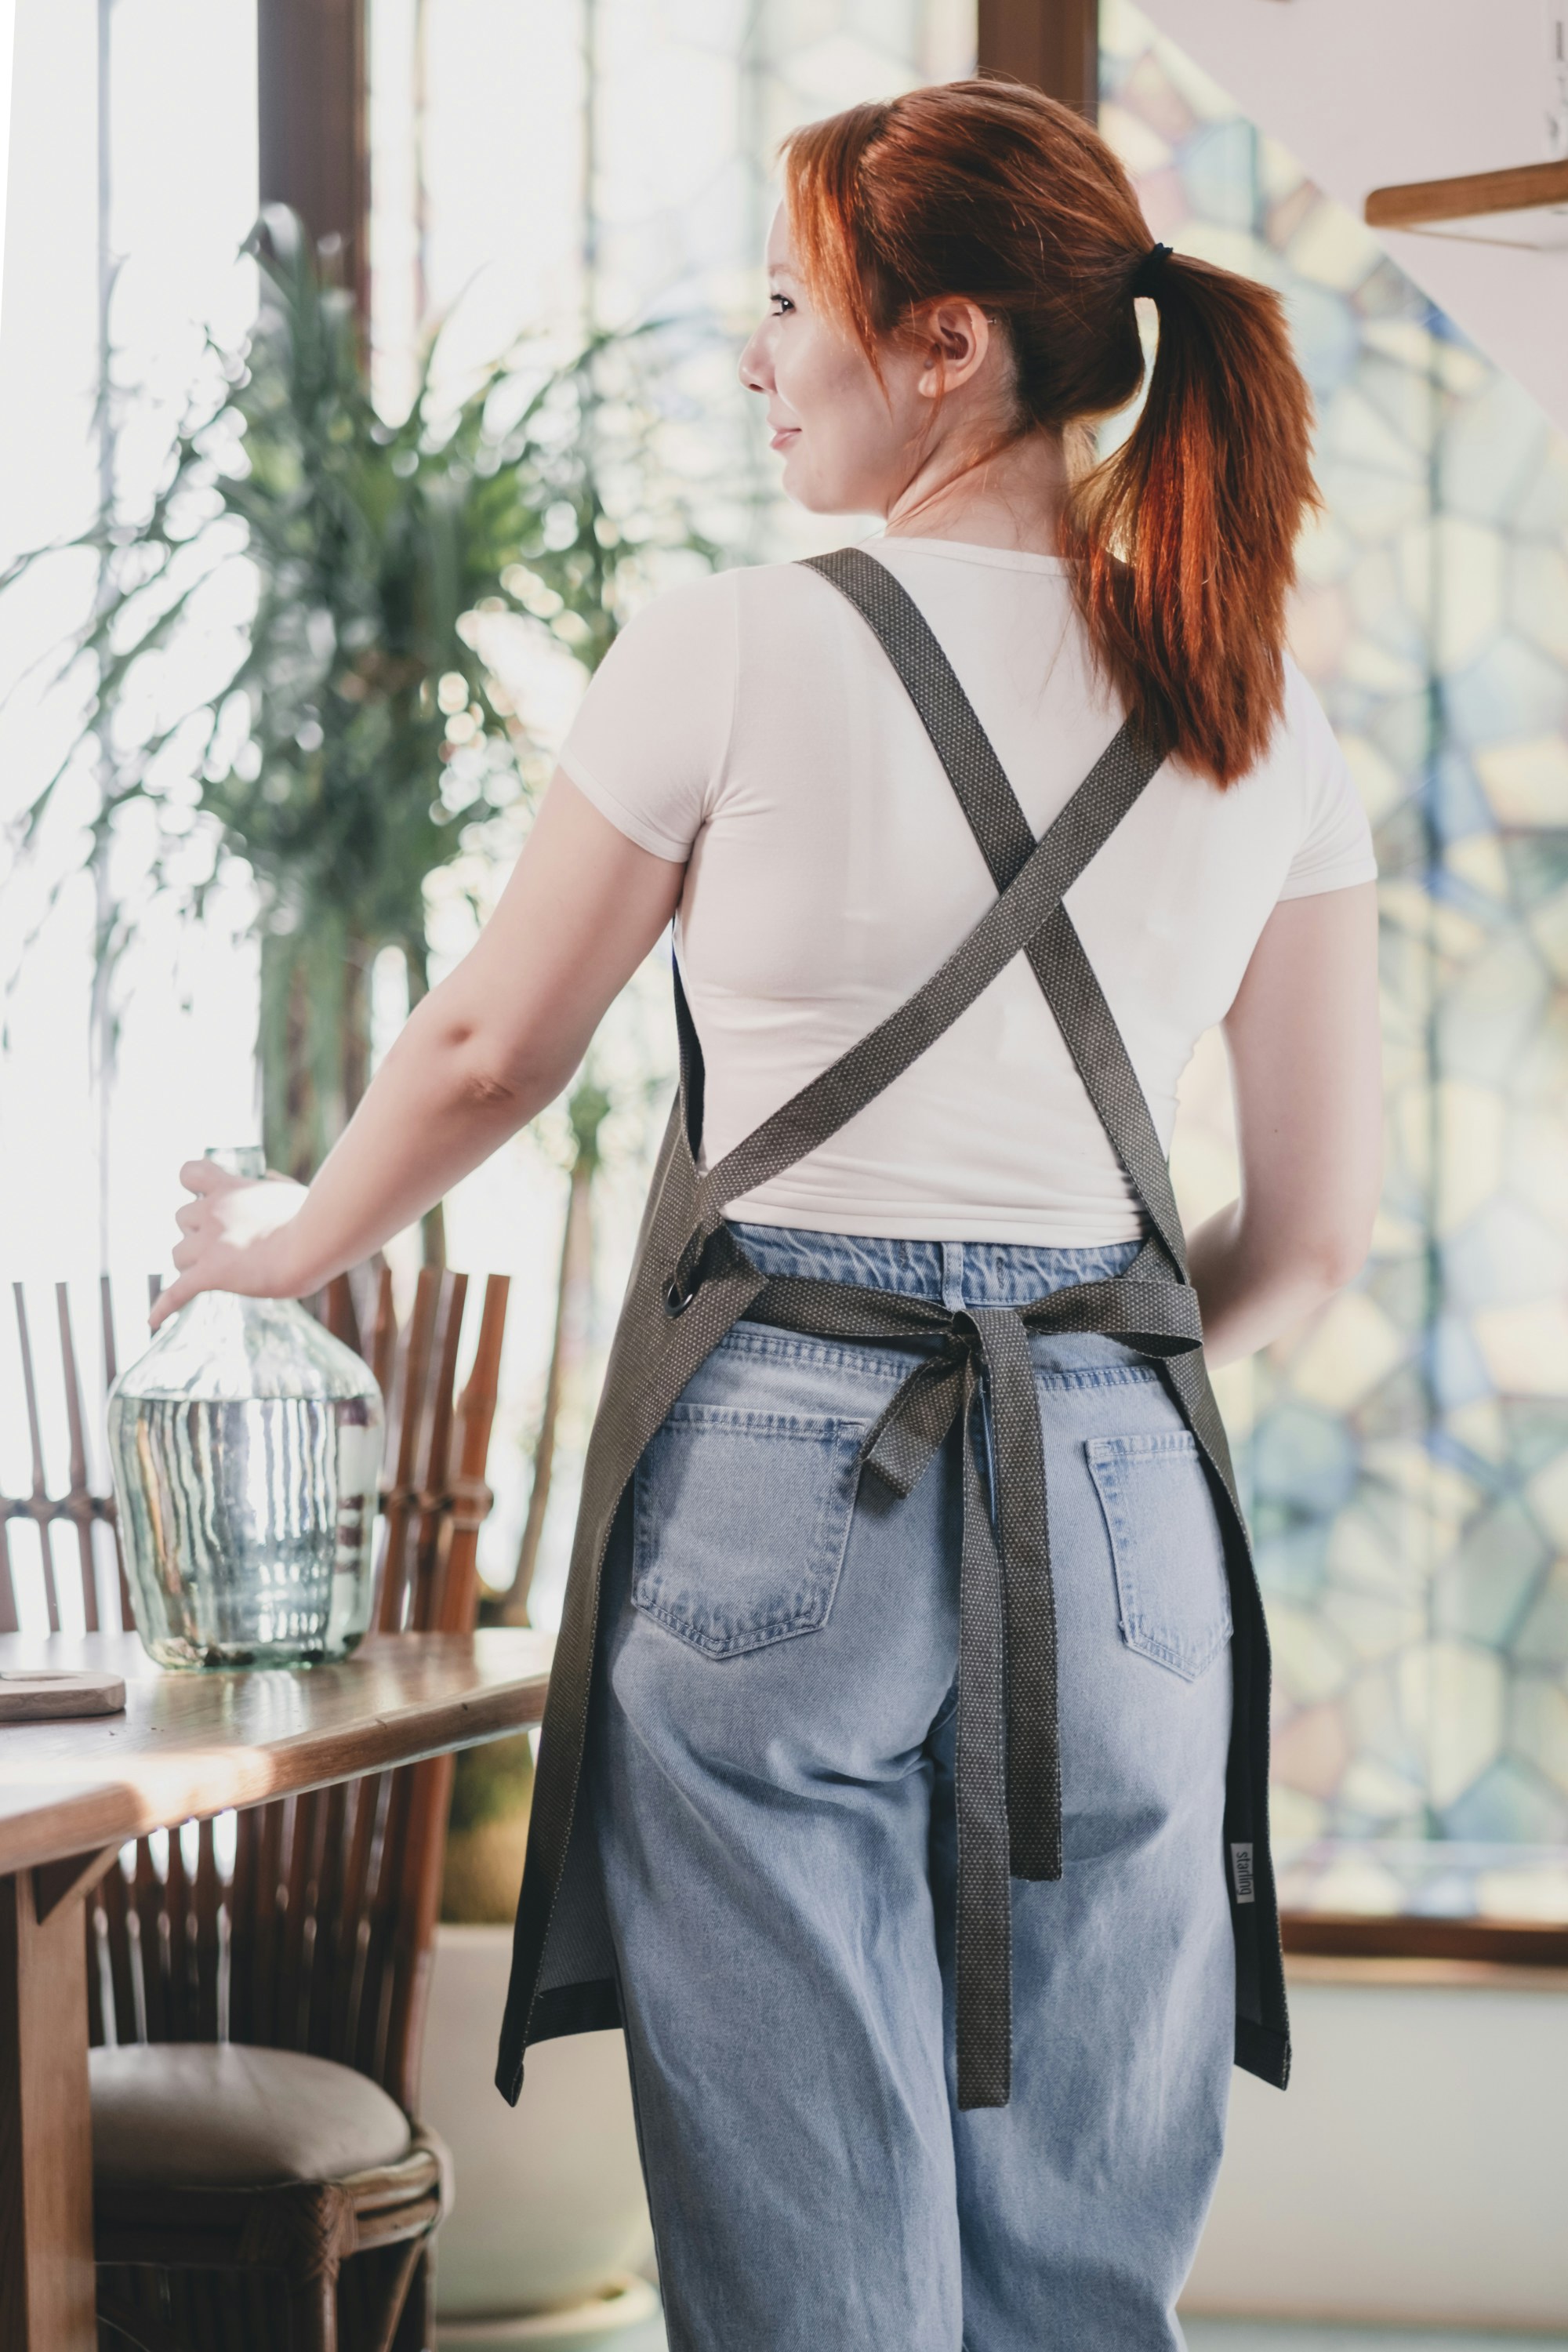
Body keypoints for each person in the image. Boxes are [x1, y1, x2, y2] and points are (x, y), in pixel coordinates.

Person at [159, 79, 1381, 2352]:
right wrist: (1086, 1364)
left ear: (941, 347)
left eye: (785, 302)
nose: (752, 356)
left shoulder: (731, 642)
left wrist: (281, 1248)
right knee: (1085, 2255)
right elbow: (1307, 1242)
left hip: (785, 1463)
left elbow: (482, 1056)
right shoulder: (1257, 702)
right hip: (1124, 1493)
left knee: (818, 2242)